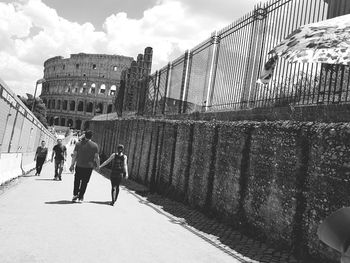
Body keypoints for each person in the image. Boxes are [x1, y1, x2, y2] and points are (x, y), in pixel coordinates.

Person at [69, 130, 100, 203]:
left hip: (79, 165)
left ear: (85, 135)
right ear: (91, 136)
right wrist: (98, 166)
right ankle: (81, 197)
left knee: (77, 181)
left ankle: (75, 195)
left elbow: (74, 155)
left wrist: (72, 165)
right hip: (89, 167)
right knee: (85, 182)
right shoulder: (95, 145)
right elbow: (96, 157)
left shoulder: (78, 144)